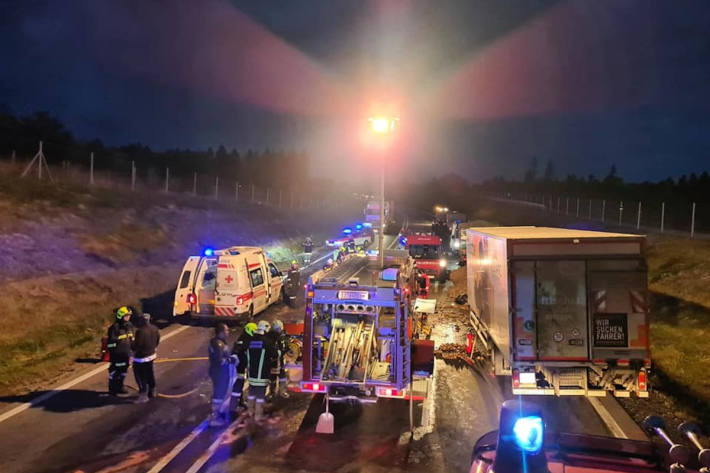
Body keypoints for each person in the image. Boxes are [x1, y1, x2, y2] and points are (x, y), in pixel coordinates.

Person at [246, 320, 277, 421]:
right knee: (260, 396)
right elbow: (275, 354)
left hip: (251, 375)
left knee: (251, 394)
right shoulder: (266, 342)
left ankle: (250, 412)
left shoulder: (250, 341)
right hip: (261, 375)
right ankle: (258, 416)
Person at [208, 323, 236, 427]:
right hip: (219, 372)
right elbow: (219, 361)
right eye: (226, 331)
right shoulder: (218, 344)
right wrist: (231, 360)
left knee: (220, 393)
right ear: (221, 332)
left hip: (220, 372)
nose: (228, 332)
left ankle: (217, 413)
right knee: (218, 395)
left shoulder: (219, 342)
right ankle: (215, 417)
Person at [131, 312, 160, 403]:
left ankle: (143, 394)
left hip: (141, 357)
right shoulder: (155, 329)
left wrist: (131, 345)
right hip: (151, 355)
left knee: (140, 376)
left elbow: (137, 345)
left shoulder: (140, 331)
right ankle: (152, 390)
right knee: (150, 373)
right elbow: (157, 340)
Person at [230, 322, 257, 414]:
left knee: (240, 384)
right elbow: (237, 351)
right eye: (253, 331)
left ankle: (239, 402)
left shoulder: (247, 338)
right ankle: (235, 405)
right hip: (239, 367)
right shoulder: (243, 340)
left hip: (243, 366)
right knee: (238, 385)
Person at [107, 306, 135, 396]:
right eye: (126, 316)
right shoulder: (114, 328)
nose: (128, 317)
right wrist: (114, 353)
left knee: (124, 371)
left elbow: (132, 338)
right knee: (115, 371)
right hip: (117, 355)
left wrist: (132, 351)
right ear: (121, 316)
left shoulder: (130, 326)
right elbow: (110, 344)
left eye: (129, 316)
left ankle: (120, 386)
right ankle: (112, 388)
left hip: (126, 354)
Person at [267, 319, 290, 399]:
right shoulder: (270, 337)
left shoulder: (283, 336)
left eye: (279, 329)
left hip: (280, 360)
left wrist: (284, 350)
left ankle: (282, 391)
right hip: (273, 361)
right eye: (277, 329)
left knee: (282, 376)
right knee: (272, 377)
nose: (278, 331)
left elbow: (286, 346)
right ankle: (272, 392)